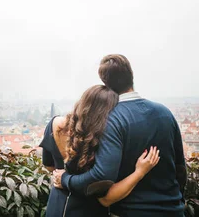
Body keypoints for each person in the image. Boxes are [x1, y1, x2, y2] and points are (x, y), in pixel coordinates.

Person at [53, 54, 187, 217]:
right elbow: (180, 168)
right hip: (174, 210)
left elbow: (101, 177)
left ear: (105, 83)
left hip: (132, 211)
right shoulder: (165, 113)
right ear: (131, 75)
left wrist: (66, 180)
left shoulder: (112, 119)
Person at [40, 84, 160, 216]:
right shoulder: (95, 140)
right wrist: (139, 172)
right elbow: (102, 187)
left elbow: (48, 165)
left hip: (56, 205)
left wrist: (61, 175)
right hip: (86, 209)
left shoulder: (55, 125)